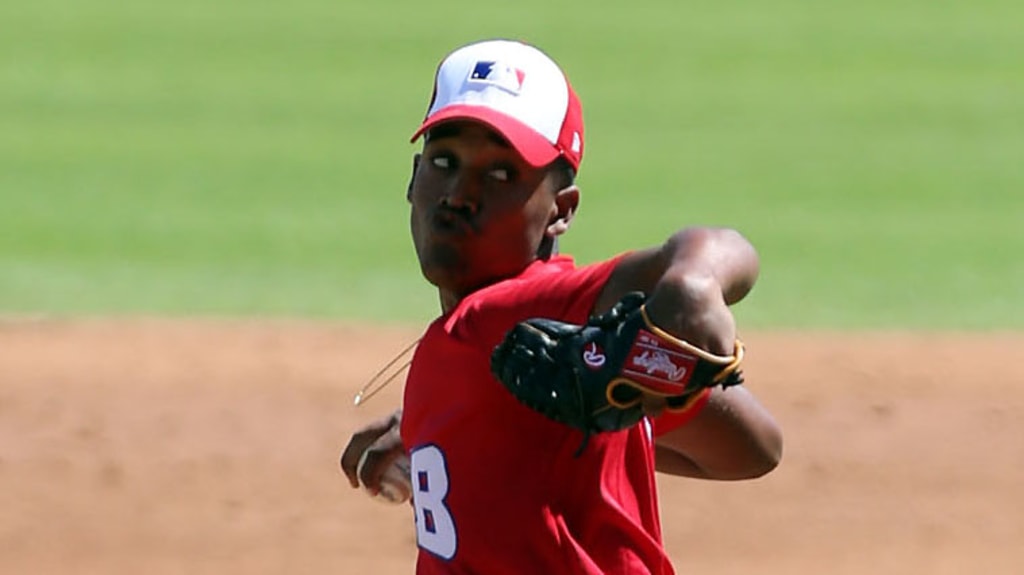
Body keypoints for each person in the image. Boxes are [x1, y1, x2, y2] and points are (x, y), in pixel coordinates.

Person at [340, 38, 783, 574]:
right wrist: (460, 425)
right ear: (413, 180)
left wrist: (692, 284)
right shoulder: (552, 363)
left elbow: (717, 246)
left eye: (501, 174)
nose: (459, 193)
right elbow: (754, 448)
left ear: (560, 211)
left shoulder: (514, 318)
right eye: (444, 161)